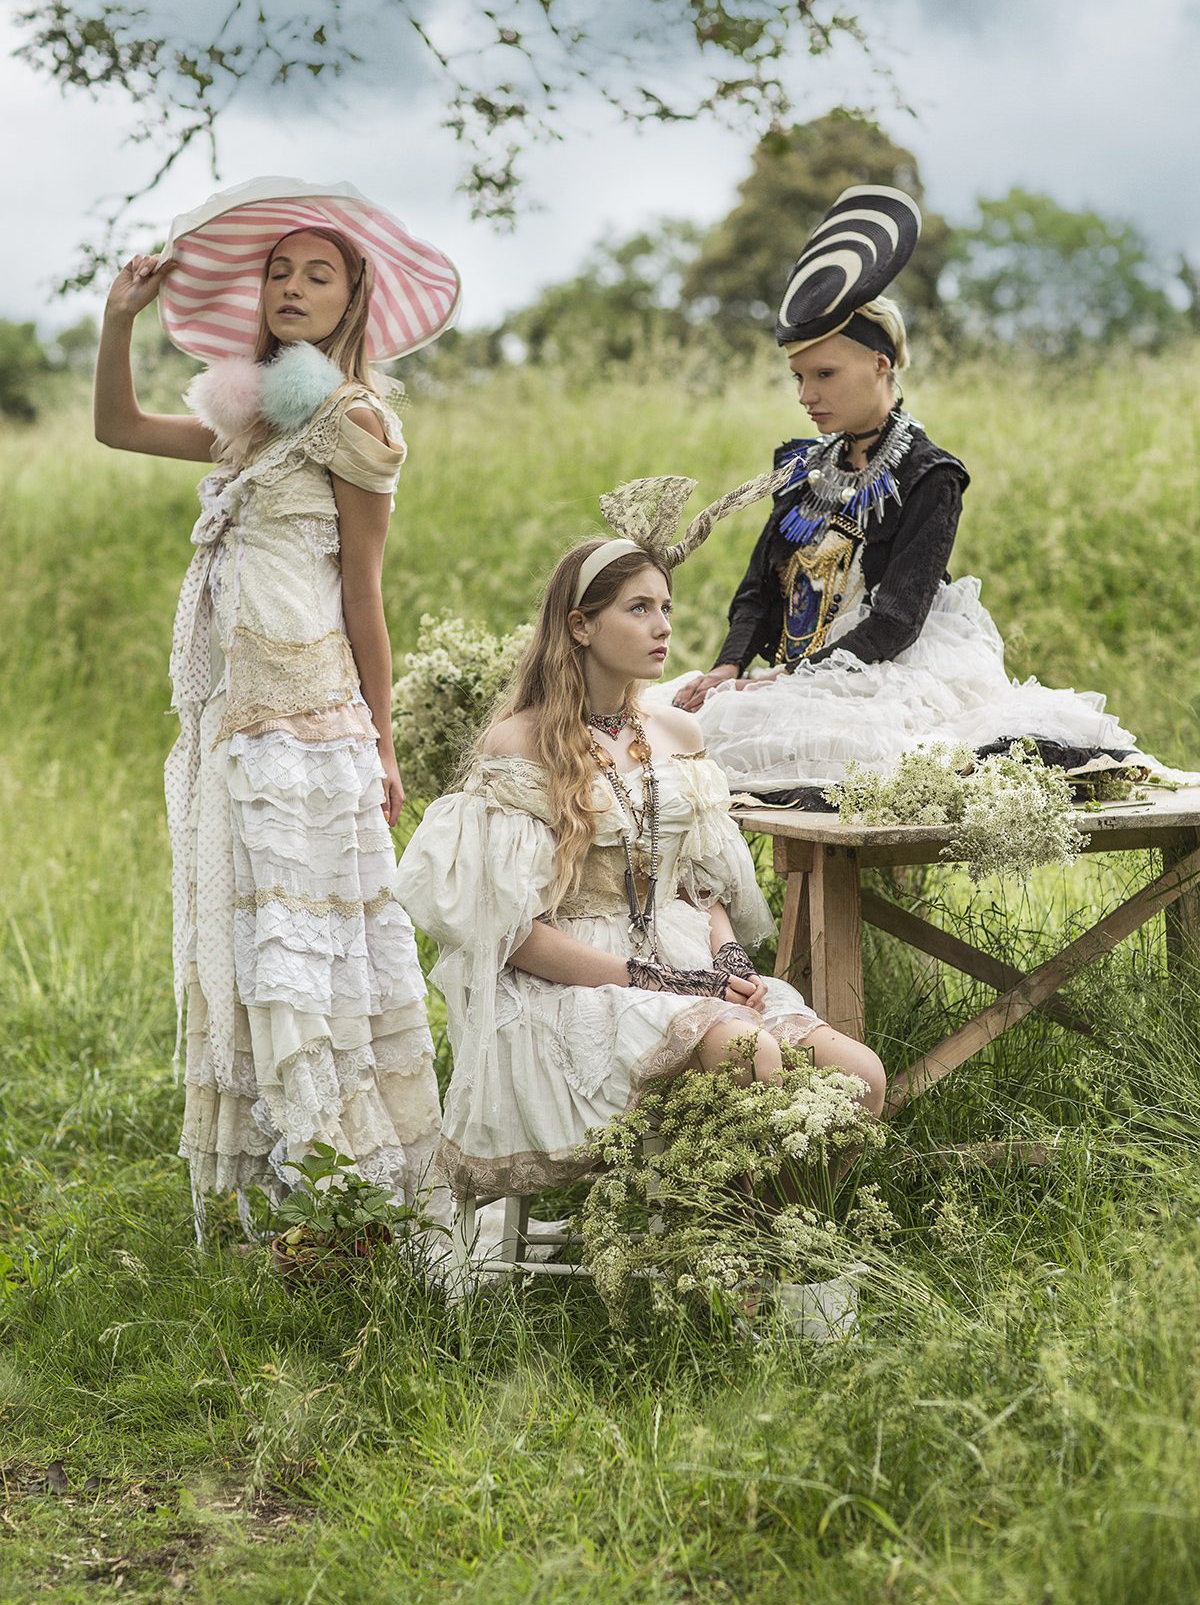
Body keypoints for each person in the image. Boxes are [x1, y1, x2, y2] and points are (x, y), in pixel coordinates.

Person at [93, 177, 461, 1234]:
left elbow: (364, 596)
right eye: (281, 271)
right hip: (236, 724)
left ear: (352, 299)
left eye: (320, 274)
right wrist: (118, 319)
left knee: (315, 958)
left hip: (310, 722)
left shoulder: (355, 421)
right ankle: (286, 1190)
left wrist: (384, 748)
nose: (294, 287)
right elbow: (117, 427)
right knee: (254, 958)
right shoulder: (241, 422)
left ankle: (346, 1184)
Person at [397, 526, 885, 1202]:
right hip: (575, 983)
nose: (662, 626)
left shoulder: (677, 733)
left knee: (860, 1077)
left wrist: (728, 961)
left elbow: (699, 883)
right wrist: (651, 978)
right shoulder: (519, 746)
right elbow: (509, 930)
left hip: (687, 963)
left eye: (667, 608)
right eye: (639, 608)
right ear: (581, 626)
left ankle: (774, 1243)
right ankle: (735, 1251)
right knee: (748, 1054)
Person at [671, 186, 1151, 802]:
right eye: (798, 377)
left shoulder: (930, 477)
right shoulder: (800, 467)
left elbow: (896, 621)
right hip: (801, 669)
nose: (804, 396)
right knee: (687, 722)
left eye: (824, 375)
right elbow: (759, 587)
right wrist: (730, 667)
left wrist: (792, 680)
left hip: (888, 670)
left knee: (835, 753)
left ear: (879, 365)